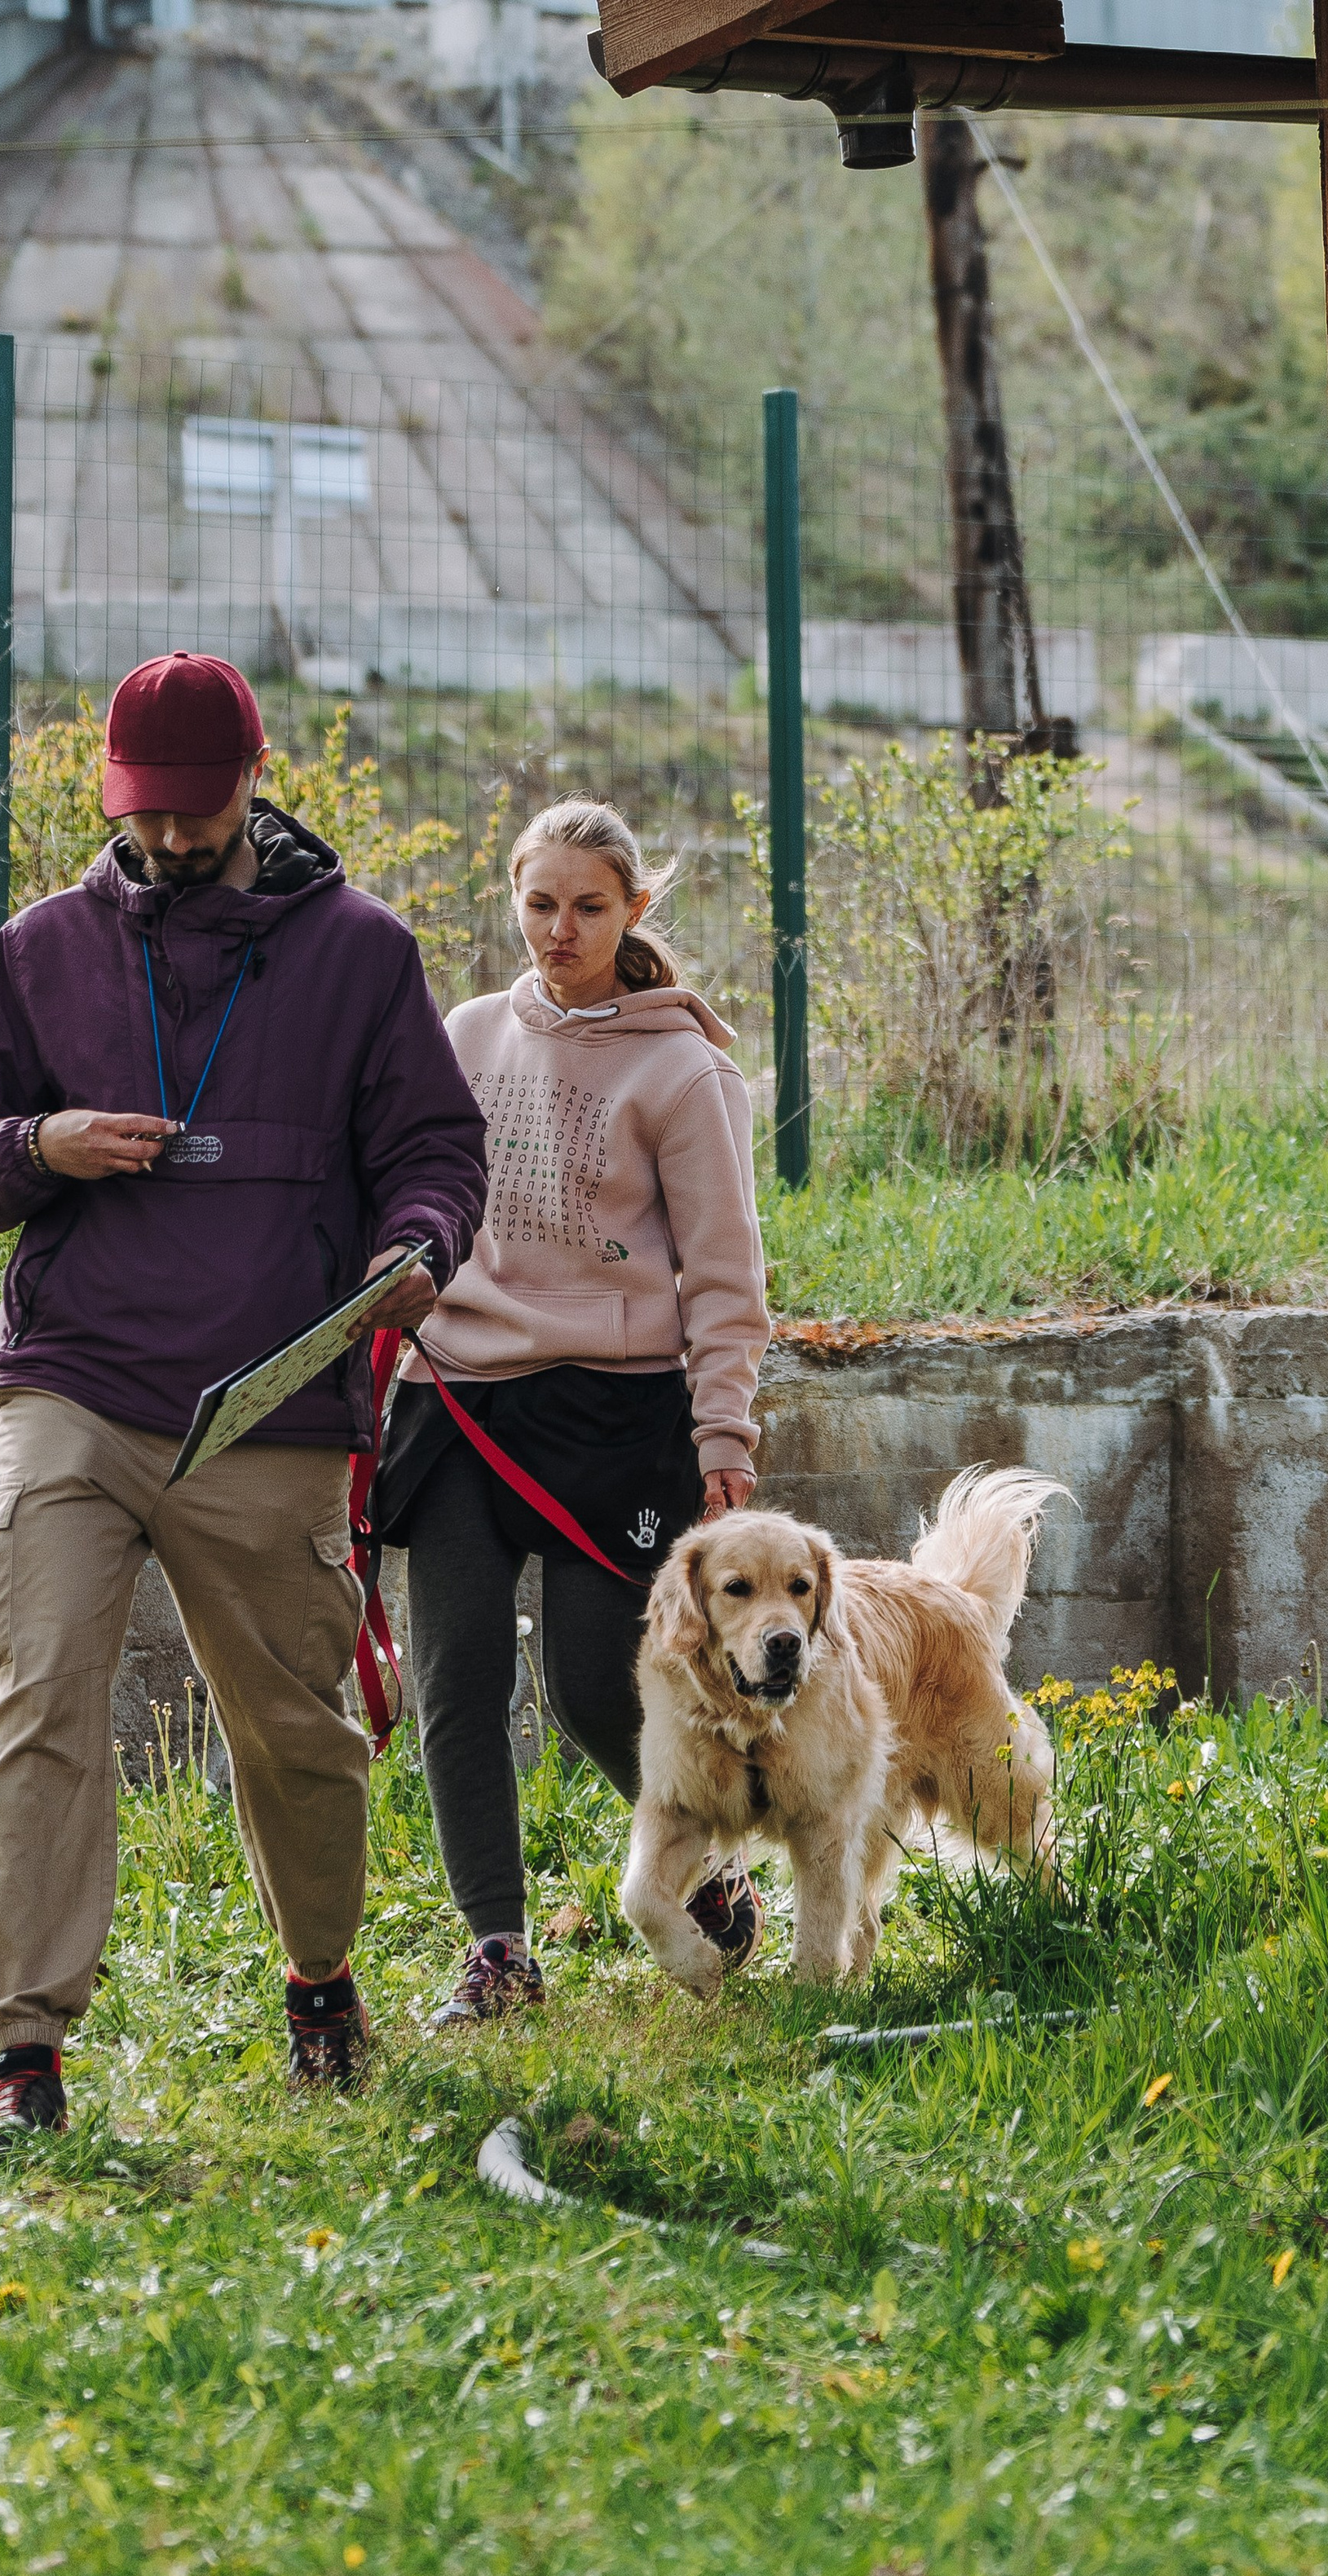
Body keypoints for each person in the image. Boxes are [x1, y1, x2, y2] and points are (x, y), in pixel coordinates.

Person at [0, 652, 487, 2141]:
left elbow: (438, 1146)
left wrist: (418, 1246)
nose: (168, 840)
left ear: (254, 779)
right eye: (142, 813)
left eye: (194, 811)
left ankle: (318, 1977)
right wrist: (41, 1140)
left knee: (298, 1736)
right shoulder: (40, 949)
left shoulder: (364, 955)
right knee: (41, 1695)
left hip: (271, 1402)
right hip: (79, 1391)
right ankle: (23, 2055)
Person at [373, 797, 771, 2025]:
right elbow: (420, 1192)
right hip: (460, 1397)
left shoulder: (681, 1066)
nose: (560, 929)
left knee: (606, 1687)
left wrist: (724, 1433)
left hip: (616, 1413)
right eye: (539, 903)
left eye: (589, 906)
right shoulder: (468, 1029)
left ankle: (699, 1877)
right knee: (457, 1680)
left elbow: (723, 1269)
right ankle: (497, 1947)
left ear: (634, 909)